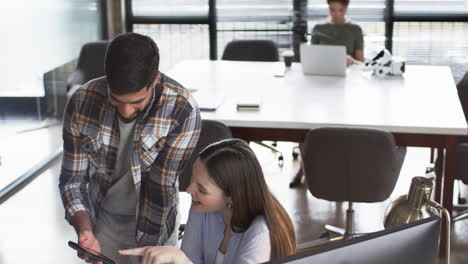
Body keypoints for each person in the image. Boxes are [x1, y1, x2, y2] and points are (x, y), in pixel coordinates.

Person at [59, 32, 201, 264]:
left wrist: (152, 252)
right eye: (116, 100)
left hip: (156, 226)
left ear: (154, 80)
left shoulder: (181, 109)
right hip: (102, 222)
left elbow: (160, 187)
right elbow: (72, 180)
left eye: (137, 102)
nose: (126, 112)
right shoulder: (82, 102)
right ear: (107, 80)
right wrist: (85, 231)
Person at [120, 139, 296, 264]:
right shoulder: (203, 208)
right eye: (192, 179)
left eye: (202, 189)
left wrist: (180, 260)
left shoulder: (260, 232)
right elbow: (192, 259)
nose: (189, 190)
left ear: (232, 196)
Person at [310, 0, 364, 66]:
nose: (337, 14)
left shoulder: (355, 29)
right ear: (328, 6)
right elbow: (312, 58)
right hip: (323, 70)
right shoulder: (318, 28)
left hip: (348, 72)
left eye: (341, 10)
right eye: (332, 10)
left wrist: (352, 61)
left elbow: (361, 63)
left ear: (346, 8)